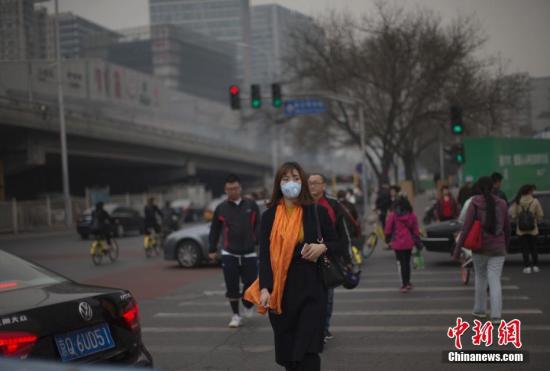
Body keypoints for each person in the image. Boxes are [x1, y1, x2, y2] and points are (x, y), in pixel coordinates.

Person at [244, 162, 339, 371]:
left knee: (309, 352)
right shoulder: (268, 216)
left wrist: (321, 247)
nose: (291, 183)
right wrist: (265, 288)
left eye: (296, 178)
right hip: (282, 293)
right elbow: (265, 255)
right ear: (278, 183)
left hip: (312, 289)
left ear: (303, 182)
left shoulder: (315, 212)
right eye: (285, 179)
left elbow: (336, 243)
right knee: (289, 357)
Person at [455, 176, 510, 324]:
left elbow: (466, 228)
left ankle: (479, 310)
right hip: (498, 248)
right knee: (495, 280)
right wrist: (506, 245)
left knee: (480, 278)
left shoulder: (475, 203)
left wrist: (457, 249)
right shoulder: (503, 204)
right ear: (493, 187)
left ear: (478, 188)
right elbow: (507, 228)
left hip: (480, 247)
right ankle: (496, 316)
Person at [208, 174, 260, 328]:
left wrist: (256, 240)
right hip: (229, 253)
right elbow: (214, 230)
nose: (233, 191)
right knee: (232, 286)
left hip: (249, 252)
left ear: (240, 188)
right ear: (225, 190)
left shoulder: (251, 205)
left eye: (235, 188)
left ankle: (247, 303)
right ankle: (236, 315)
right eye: (230, 189)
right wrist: (212, 249)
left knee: (251, 283)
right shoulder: (221, 208)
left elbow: (259, 225)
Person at [308, 174, 351, 343]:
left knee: (328, 296)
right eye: (309, 183)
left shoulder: (333, 205)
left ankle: (324, 328)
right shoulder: (301, 204)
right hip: (307, 258)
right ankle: (313, 328)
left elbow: (343, 233)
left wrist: (347, 259)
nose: (312, 186)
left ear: (323, 186)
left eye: (315, 183)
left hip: (329, 257)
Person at [384, 196, 420, 293]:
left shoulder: (393, 215)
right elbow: (415, 229)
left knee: (401, 263)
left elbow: (388, 228)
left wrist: (387, 238)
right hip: (409, 242)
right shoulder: (412, 215)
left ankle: (404, 284)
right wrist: (417, 239)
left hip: (397, 243)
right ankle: (408, 282)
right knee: (407, 263)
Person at [510, 184, 544, 274]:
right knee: (534, 248)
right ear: (529, 191)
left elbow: (513, 216)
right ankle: (536, 266)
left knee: (525, 249)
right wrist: (537, 221)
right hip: (533, 230)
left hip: (521, 230)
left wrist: (517, 220)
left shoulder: (517, 201)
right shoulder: (535, 201)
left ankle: (527, 267)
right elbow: (540, 215)